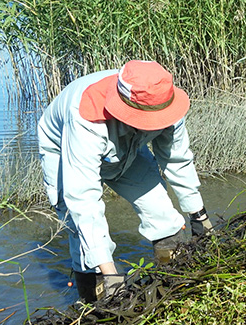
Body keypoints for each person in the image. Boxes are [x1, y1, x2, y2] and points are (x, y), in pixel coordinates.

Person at [38, 60, 213, 302]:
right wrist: (110, 272)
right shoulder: (85, 118)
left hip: (129, 144)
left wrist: (199, 216)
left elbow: (177, 160)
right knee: (83, 240)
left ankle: (172, 290)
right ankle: (95, 308)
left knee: (164, 215)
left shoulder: (165, 100)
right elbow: (84, 199)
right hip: (65, 148)